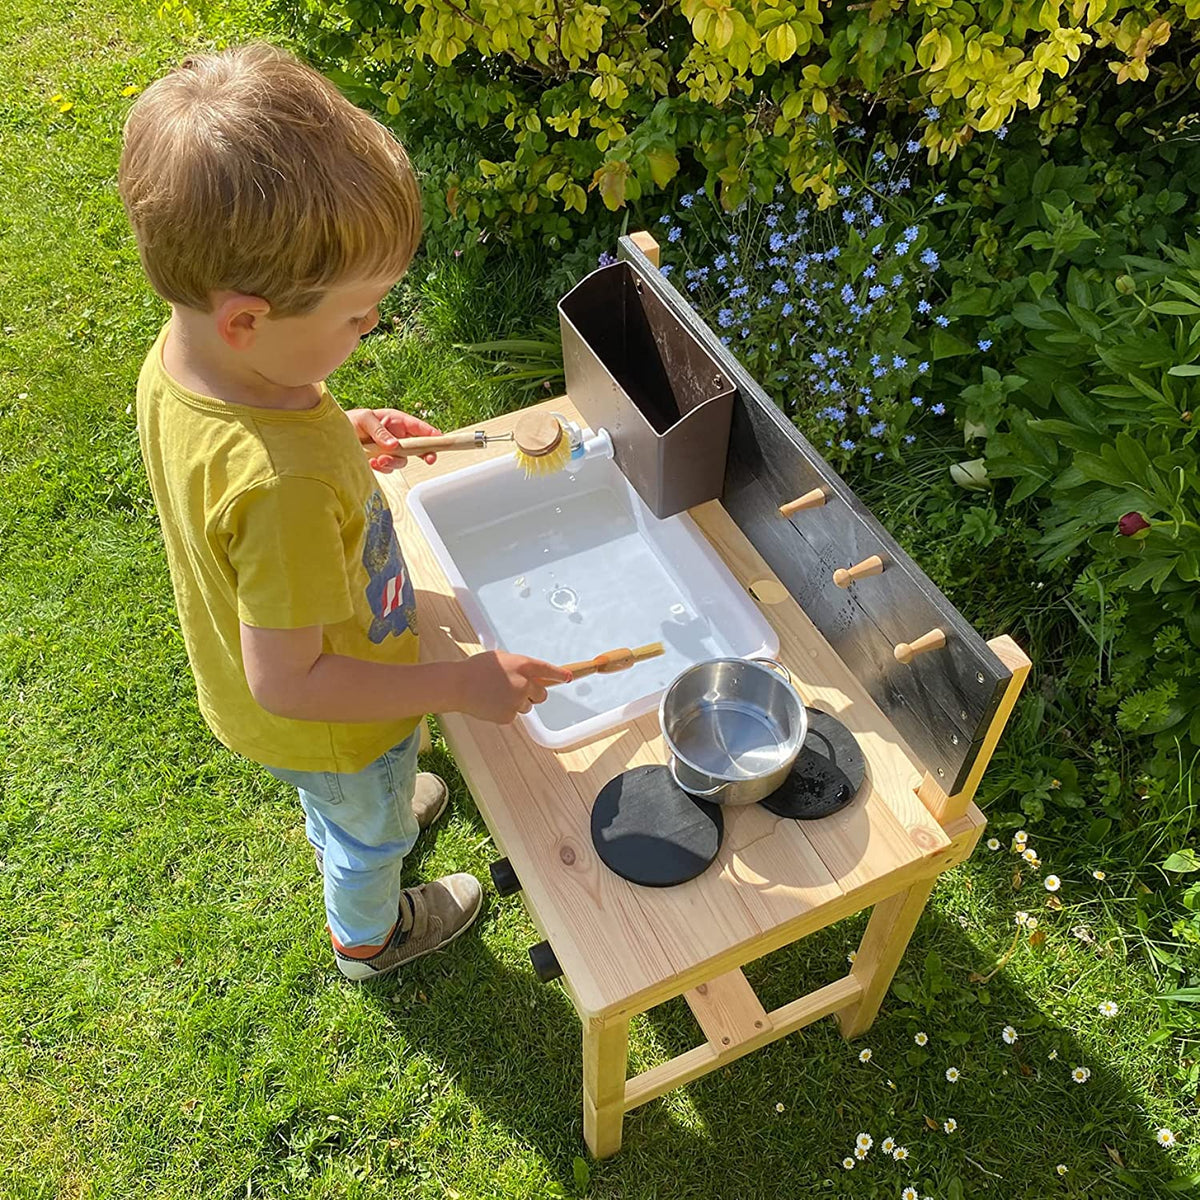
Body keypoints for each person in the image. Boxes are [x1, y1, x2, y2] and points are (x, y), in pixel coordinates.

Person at [118, 42, 569, 981]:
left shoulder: (192, 363)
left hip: (297, 713)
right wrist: (459, 685)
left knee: (359, 799)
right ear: (247, 320)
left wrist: (339, 434)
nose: (372, 329)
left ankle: (361, 807)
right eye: (358, 316)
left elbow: (235, 487)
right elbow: (293, 683)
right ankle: (370, 934)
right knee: (369, 833)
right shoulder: (278, 482)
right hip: (333, 726)